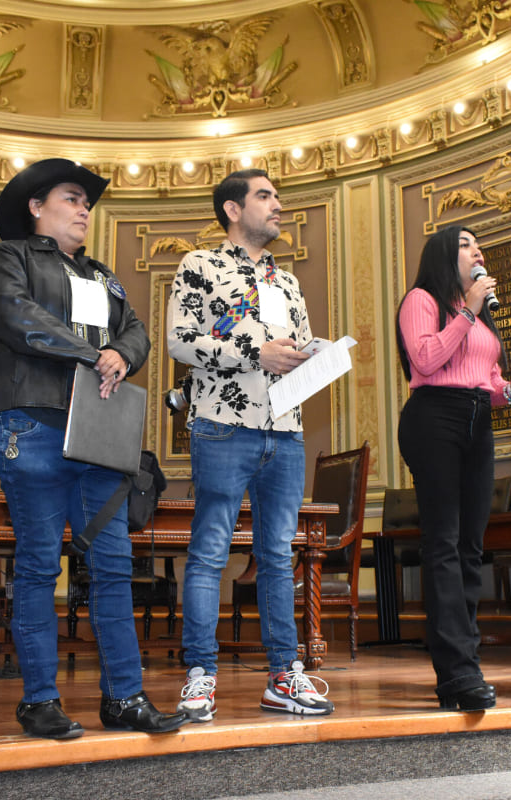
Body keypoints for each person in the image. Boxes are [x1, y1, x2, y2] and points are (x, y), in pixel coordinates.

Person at [0, 159, 188, 738]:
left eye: (87, 203)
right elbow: (9, 312)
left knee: (115, 566)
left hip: (99, 435)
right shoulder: (9, 257)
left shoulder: (104, 276)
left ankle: (124, 698)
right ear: (36, 207)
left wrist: (123, 353)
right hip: (32, 425)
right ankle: (39, 701)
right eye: (72, 199)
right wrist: (89, 353)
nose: (83, 209)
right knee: (41, 565)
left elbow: (138, 329)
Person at [167, 169, 334, 720]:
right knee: (210, 552)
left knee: (276, 558)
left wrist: (319, 355)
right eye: (266, 196)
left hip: (285, 430)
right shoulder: (200, 266)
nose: (278, 205)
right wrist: (252, 354)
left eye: (278, 196)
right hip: (221, 424)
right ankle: (200, 676)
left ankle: (285, 677)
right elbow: (179, 339)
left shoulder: (287, 282)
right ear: (233, 210)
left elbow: (299, 345)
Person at [395, 225, 511, 711]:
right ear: (445, 253)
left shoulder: (478, 316)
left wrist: (509, 389)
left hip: (476, 419)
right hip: (434, 418)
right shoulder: (422, 299)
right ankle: (455, 674)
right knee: (444, 544)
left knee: (471, 547)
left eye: (479, 244)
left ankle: (466, 658)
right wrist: (468, 310)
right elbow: (426, 360)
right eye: (468, 243)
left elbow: (485, 378)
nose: (479, 250)